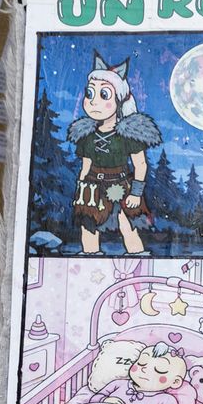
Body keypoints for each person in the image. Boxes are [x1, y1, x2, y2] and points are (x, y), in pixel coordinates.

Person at [69, 54, 162, 256]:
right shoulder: (86, 135)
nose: (93, 102)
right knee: (88, 228)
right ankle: (88, 263)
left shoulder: (128, 135)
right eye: (90, 93)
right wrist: (80, 189)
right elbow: (86, 165)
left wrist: (136, 193)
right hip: (92, 187)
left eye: (103, 95)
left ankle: (138, 264)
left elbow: (140, 165)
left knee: (127, 226)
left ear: (119, 100)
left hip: (121, 185)